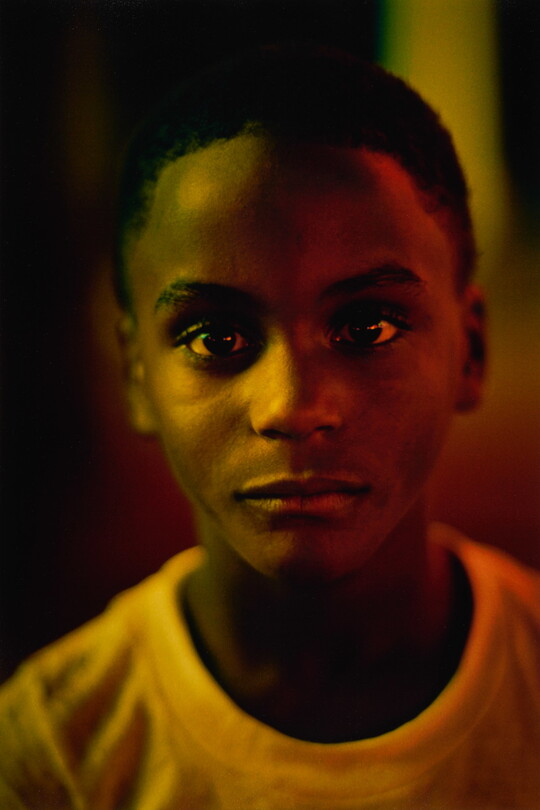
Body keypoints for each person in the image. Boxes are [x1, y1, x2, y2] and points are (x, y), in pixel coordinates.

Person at [1, 43, 539, 810]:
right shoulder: (53, 755)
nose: (292, 406)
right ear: (135, 375)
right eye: (216, 338)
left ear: (471, 351)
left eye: (368, 327)